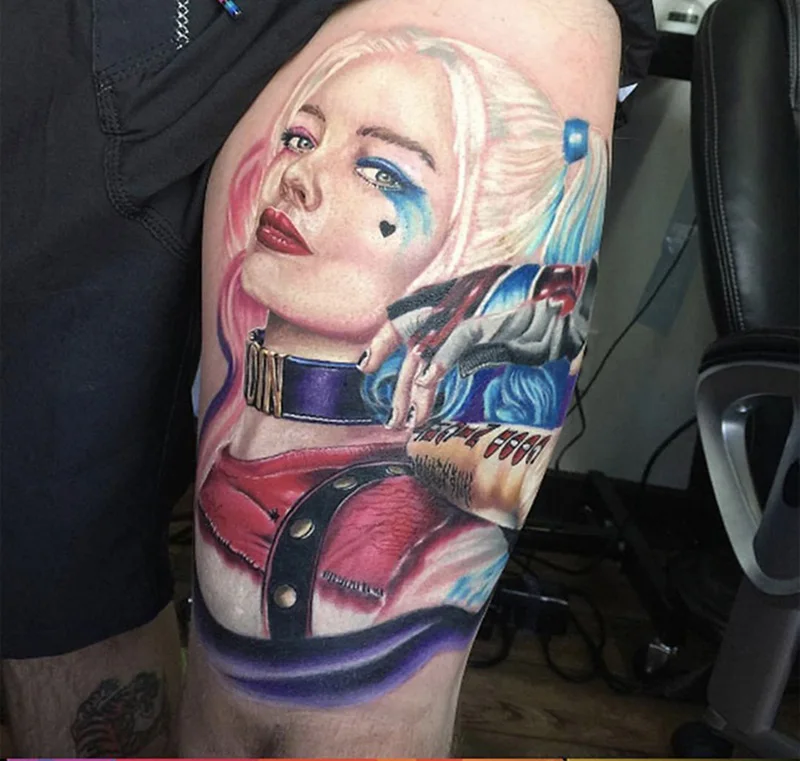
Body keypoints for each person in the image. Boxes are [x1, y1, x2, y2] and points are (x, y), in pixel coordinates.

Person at [2, 0, 652, 756]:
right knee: (53, 598)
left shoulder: (389, 526)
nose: (300, 175)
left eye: (381, 172)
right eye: (302, 139)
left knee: (318, 721)